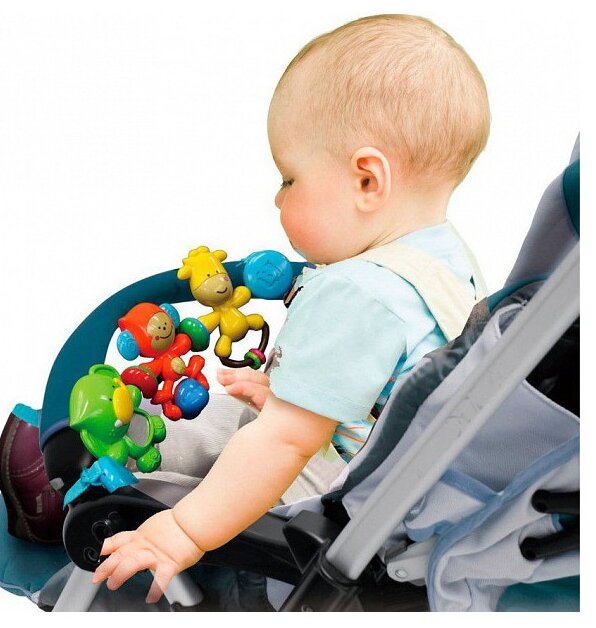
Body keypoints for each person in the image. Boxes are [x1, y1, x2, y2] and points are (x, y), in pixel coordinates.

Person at [93, 14, 490, 603]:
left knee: (221, 444)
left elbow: (283, 445)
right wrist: (306, 398)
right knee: (248, 416)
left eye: (289, 178)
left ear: (367, 181)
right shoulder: (450, 266)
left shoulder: (358, 290)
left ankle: (72, 485)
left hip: (341, 520)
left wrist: (183, 532)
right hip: (404, 494)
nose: (277, 197)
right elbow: (396, 392)